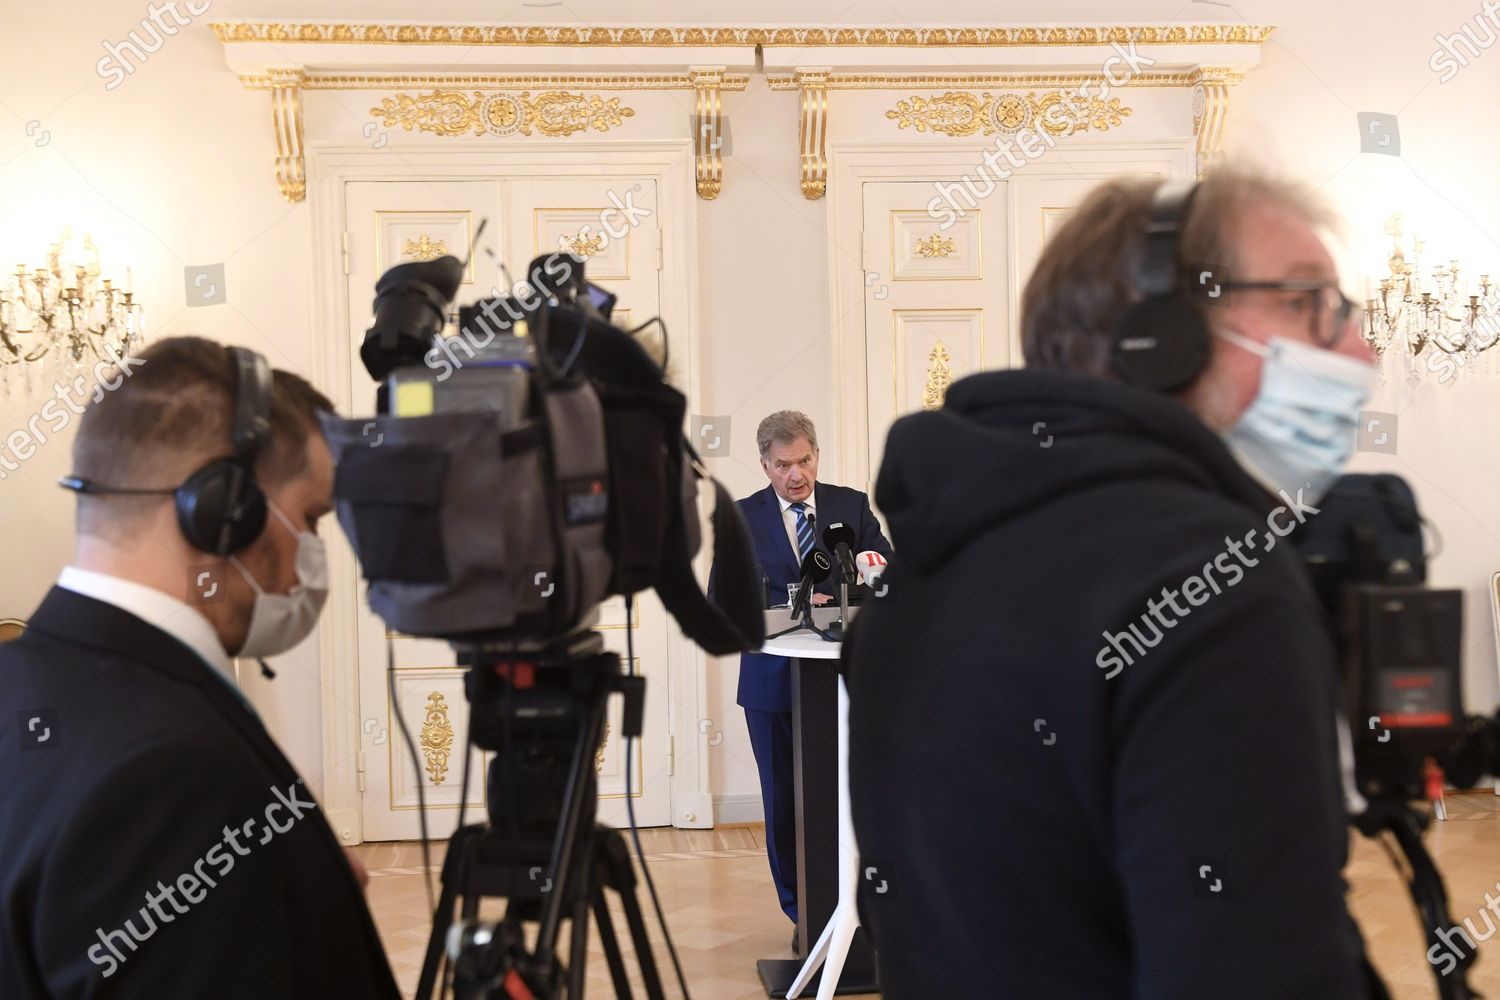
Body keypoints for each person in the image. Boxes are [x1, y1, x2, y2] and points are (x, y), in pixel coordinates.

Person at [847, 170, 1386, 997]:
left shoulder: (930, 555)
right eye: (1306, 301)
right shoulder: (1213, 582)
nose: (1360, 349)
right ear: (1162, 337)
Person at [0, 337, 399, 997]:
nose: (313, 550)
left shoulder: (20, 675)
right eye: (310, 518)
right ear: (224, 513)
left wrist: (300, 875)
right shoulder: (172, 780)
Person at [711, 410, 891, 946]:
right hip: (771, 686)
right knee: (786, 805)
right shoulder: (741, 518)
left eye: (805, 460)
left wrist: (869, 572)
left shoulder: (850, 506)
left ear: (817, 454)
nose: (797, 474)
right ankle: (806, 918)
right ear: (765, 464)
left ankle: (856, 915)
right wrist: (788, 603)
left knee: (850, 801)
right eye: (784, 464)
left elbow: (887, 572)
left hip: (843, 685)